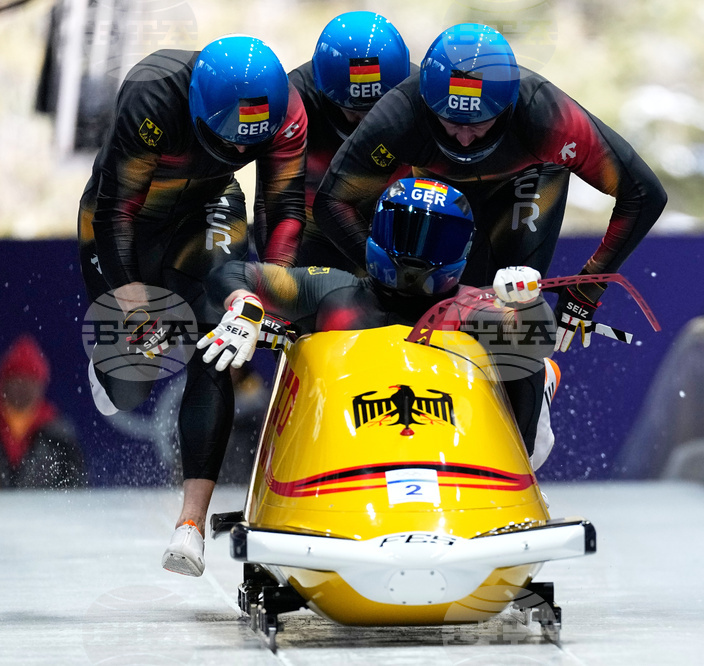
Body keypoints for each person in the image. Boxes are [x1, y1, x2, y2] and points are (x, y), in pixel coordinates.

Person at [77, 35, 307, 576]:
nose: (238, 154)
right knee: (133, 377)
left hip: (209, 206)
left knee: (217, 348)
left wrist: (265, 297)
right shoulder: (152, 94)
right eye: (227, 142)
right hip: (126, 218)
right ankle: (112, 368)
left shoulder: (285, 111)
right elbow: (115, 212)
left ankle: (189, 526)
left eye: (248, 147)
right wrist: (135, 308)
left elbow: (284, 208)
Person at [313, 23, 667, 352]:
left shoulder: (547, 116)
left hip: (527, 182)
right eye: (451, 121)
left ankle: (529, 385)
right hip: (441, 191)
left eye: (479, 123)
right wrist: (386, 276)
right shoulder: (399, 115)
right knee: (425, 308)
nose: (464, 139)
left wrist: (586, 288)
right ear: (426, 105)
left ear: (509, 107)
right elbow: (331, 201)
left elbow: (643, 194)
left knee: (510, 314)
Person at [200, 178, 559, 475]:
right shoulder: (331, 290)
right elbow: (233, 274)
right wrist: (245, 306)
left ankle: (523, 461)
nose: (416, 255)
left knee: (532, 362)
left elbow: (537, 341)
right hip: (346, 449)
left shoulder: (473, 308)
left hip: (452, 451)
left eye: (435, 241)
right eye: (406, 234)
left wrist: (529, 304)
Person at [254, 11, 414, 268]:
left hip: (394, 224)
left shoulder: (419, 96)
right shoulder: (291, 102)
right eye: (353, 111)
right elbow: (276, 205)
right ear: (324, 94)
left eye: (378, 109)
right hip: (314, 231)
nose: (366, 122)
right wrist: (274, 276)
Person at [0, 335, 86, 489]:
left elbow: (75, 490)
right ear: (5, 382)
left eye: (30, 380)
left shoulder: (60, 435)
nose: (23, 387)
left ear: (41, 385)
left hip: (47, 506)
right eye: (17, 378)